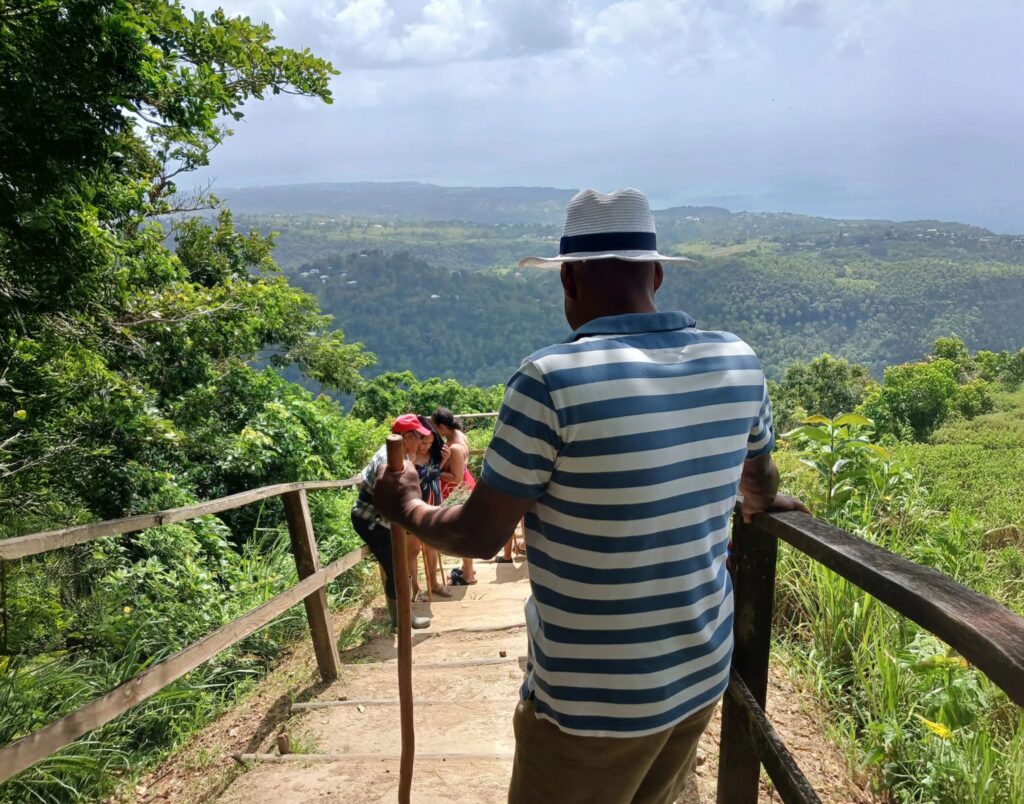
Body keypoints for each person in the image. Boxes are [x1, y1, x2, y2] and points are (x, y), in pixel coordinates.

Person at [372, 188, 809, 804]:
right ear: (656, 275)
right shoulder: (739, 361)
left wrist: (408, 506)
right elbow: (759, 489)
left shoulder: (550, 380)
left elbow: (477, 535)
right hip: (699, 672)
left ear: (568, 280)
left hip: (591, 706)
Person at [350, 413, 433, 630]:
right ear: (406, 437)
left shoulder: (394, 456)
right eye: (419, 436)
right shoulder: (388, 460)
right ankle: (402, 621)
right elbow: (386, 496)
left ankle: (400, 619)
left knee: (396, 566)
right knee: (397, 568)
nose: (422, 441)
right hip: (372, 521)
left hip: (377, 519)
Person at [431, 407, 478, 584]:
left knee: (462, 531)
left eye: (435, 427)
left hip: (458, 490)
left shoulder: (455, 447)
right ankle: (467, 568)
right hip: (464, 487)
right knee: (465, 529)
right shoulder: (458, 435)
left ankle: (468, 575)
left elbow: (456, 478)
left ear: (442, 427)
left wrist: (434, 473)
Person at [408, 415, 451, 601]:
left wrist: (443, 460)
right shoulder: (408, 457)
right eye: (423, 442)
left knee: (432, 546)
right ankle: (415, 589)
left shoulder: (433, 454)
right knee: (413, 550)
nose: (426, 446)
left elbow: (434, 475)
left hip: (434, 506)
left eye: (430, 442)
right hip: (416, 508)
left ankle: (434, 583)